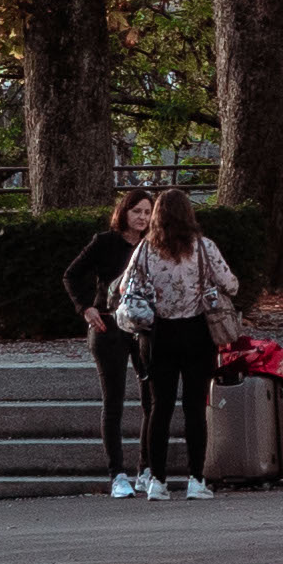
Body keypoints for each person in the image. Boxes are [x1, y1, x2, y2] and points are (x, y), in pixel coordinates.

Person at [112, 191, 244, 503]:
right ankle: (196, 480)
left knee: (160, 407)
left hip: (157, 334)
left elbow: (123, 287)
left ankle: (157, 480)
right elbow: (231, 284)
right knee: (195, 408)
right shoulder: (203, 247)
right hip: (197, 332)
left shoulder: (145, 248)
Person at [64, 184, 159, 500]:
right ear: (125, 212)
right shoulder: (105, 243)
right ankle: (117, 474)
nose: (142, 217)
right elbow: (72, 274)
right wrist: (85, 308)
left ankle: (146, 468)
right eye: (137, 211)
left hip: (145, 327)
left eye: (148, 212)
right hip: (109, 324)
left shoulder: (154, 244)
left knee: (152, 399)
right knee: (114, 400)